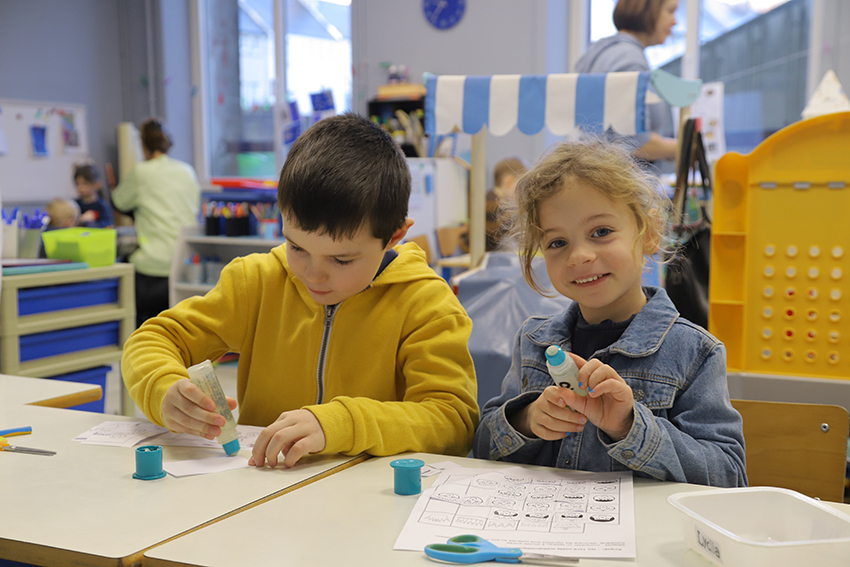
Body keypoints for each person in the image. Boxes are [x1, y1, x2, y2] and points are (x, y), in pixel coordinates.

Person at [121, 113, 479, 469]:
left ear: (394, 236)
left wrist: (341, 423)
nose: (313, 275)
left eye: (341, 260)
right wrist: (162, 388)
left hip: (370, 495)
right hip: (261, 488)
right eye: (297, 247)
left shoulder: (426, 304)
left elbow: (452, 421)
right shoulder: (257, 282)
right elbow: (153, 339)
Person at [472, 139, 746, 487]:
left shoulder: (694, 353)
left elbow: (729, 475)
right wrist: (526, 420)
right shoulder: (533, 342)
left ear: (650, 232)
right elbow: (481, 446)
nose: (579, 256)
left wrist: (629, 426)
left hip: (642, 524)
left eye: (601, 232)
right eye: (558, 242)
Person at [111, 118, 201, 328]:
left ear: (143, 145)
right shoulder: (187, 171)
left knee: (142, 326)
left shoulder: (142, 172)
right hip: (185, 265)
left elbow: (118, 202)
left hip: (152, 271)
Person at [574, 0, 679, 164]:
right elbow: (633, 143)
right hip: (616, 173)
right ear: (647, 10)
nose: (675, 21)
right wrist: (685, 146)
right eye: (670, 11)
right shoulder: (629, 60)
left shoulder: (601, 52)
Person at [485, 157, 527, 251]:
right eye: (521, 187)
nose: (522, 193)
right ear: (509, 182)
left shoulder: (491, 198)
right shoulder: (492, 204)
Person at [73, 164, 114, 228]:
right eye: (77, 184)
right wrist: (80, 220)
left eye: (85, 183)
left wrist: (89, 223)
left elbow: (108, 224)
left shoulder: (102, 206)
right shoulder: (74, 204)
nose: (80, 187)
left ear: (96, 184)